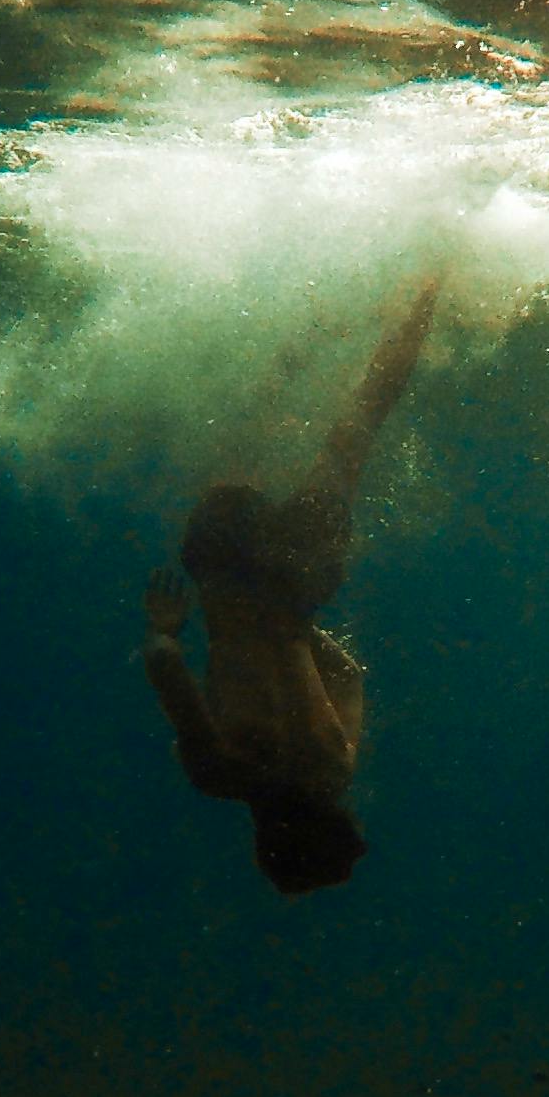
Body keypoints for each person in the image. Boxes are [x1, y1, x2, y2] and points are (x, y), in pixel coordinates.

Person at [142, 274, 442, 894]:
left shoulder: (333, 769)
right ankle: (310, 320)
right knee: (252, 433)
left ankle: (427, 287)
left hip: (296, 585)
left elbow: (348, 675)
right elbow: (163, 664)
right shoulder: (221, 773)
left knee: (356, 431)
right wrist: (166, 629)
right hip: (226, 574)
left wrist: (295, 628)